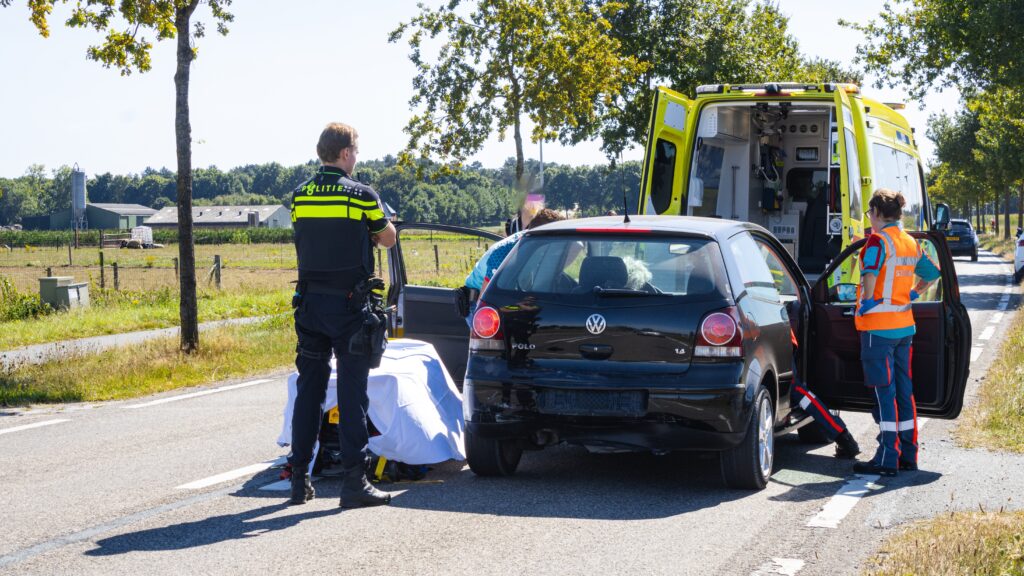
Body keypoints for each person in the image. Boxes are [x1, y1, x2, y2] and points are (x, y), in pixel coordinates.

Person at [288, 122, 397, 507]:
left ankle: (299, 478)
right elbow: (388, 238)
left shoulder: (299, 195)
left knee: (309, 391)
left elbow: (311, 236)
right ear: (346, 153)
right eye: (357, 150)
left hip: (310, 305)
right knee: (352, 395)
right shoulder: (362, 194)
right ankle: (354, 483)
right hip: (350, 307)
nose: (358, 157)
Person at [853, 188, 940, 476]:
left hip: (878, 330)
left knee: (884, 395)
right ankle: (908, 453)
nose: (870, 218)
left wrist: (867, 301)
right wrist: (913, 295)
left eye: (870, 213)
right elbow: (932, 274)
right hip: (904, 328)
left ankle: (887, 457)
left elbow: (870, 275)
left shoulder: (878, 241)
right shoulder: (910, 243)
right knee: (904, 392)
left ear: (877, 213)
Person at [457, 209, 566, 322]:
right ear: (541, 234)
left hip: (510, 299)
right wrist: (518, 307)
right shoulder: (504, 253)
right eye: (557, 238)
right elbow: (485, 303)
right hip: (478, 302)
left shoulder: (538, 245)